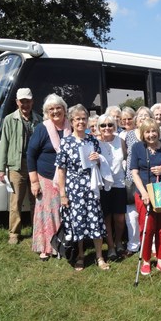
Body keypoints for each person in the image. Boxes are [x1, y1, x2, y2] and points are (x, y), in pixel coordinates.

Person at [56, 104, 110, 271]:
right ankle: (80, 255)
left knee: (95, 220)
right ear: (71, 121)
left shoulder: (93, 140)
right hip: (74, 188)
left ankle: (100, 256)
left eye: (84, 118)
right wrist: (63, 193)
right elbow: (61, 170)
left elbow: (101, 162)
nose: (81, 122)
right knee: (78, 222)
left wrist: (98, 158)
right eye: (77, 119)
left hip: (91, 186)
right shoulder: (65, 142)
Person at [130, 119, 161, 276]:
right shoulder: (138, 148)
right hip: (144, 194)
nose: (151, 135)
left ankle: (160, 260)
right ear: (143, 134)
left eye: (153, 131)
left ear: (158, 131)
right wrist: (143, 192)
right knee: (147, 228)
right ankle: (145, 260)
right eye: (147, 132)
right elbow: (134, 172)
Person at [27, 94, 71, 260]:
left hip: (67, 177)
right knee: (47, 213)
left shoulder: (70, 127)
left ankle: (63, 243)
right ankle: (45, 246)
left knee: (63, 212)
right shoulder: (42, 128)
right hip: (46, 178)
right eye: (51, 109)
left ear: (64, 109)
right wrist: (34, 181)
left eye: (58, 107)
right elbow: (30, 154)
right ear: (46, 112)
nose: (55, 111)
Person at [0, 88, 42, 245]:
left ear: (32, 102)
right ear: (17, 102)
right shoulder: (9, 120)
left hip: (35, 166)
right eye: (22, 101)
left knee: (36, 199)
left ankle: (38, 230)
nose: (25, 104)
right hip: (17, 166)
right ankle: (14, 233)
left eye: (28, 101)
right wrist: (1, 168)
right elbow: (4, 144)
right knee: (16, 201)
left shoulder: (39, 120)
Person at [123, 107, 153, 256]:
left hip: (149, 181)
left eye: (146, 115)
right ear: (136, 119)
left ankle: (151, 245)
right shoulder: (129, 136)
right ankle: (133, 244)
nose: (142, 118)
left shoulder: (153, 135)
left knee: (151, 214)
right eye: (140, 116)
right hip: (131, 180)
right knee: (132, 215)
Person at [97, 113, 127, 261]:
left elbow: (126, 158)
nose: (107, 128)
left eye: (110, 125)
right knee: (106, 217)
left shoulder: (120, 141)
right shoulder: (95, 143)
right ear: (98, 128)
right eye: (103, 125)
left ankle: (118, 241)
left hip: (119, 183)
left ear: (114, 126)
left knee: (120, 218)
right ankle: (111, 247)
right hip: (103, 185)